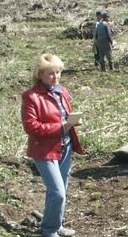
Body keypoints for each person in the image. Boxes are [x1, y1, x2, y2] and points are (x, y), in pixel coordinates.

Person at [21, 54, 84, 237]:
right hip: (44, 149)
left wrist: (72, 122)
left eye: (58, 73)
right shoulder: (31, 96)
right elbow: (30, 126)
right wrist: (61, 127)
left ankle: (57, 225)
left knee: (61, 190)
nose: (55, 77)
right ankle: (48, 231)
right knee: (57, 193)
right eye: (50, 74)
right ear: (40, 75)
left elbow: (64, 115)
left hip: (64, 146)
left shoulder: (61, 91)